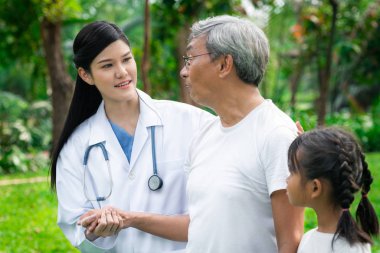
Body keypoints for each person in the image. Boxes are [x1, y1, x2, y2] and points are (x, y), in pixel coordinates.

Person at [50, 20, 213, 253]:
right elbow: (74, 225)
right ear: (86, 75)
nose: (122, 72)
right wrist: (95, 232)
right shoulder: (76, 147)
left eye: (126, 59)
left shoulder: (193, 122)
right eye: (107, 66)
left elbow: (215, 208)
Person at [177, 15, 304, 253]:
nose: (184, 71)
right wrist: (132, 219)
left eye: (190, 59)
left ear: (224, 64)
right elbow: (201, 225)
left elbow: (291, 242)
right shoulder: (204, 135)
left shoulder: (276, 134)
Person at [286, 127, 379, 253]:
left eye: (292, 171)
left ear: (315, 187)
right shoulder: (310, 239)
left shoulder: (347, 249)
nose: (286, 179)